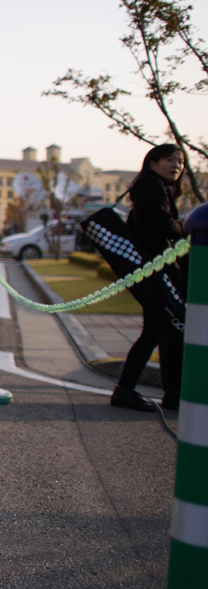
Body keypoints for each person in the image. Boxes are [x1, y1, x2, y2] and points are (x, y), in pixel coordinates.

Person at [113, 143, 187, 412]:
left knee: (165, 329)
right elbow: (163, 223)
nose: (177, 166)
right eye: (170, 159)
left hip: (155, 269)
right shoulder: (151, 186)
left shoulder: (156, 187)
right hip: (157, 270)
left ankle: (169, 392)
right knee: (160, 329)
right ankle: (127, 390)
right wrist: (189, 234)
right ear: (153, 163)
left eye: (180, 162)